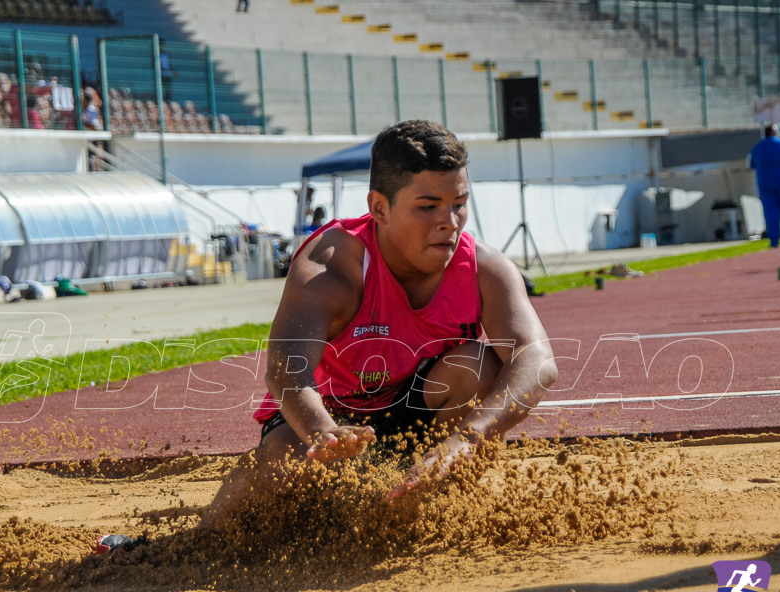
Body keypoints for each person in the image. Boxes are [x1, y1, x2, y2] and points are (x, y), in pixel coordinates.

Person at [200, 120, 557, 527]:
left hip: (417, 420)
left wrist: (467, 440)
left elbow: (538, 360)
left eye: (459, 203)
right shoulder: (331, 264)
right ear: (379, 208)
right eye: (428, 207)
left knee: (476, 368)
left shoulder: (484, 267)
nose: (450, 222)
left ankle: (433, 510)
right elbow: (286, 366)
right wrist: (322, 431)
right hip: (333, 420)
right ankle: (197, 542)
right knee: (284, 455)